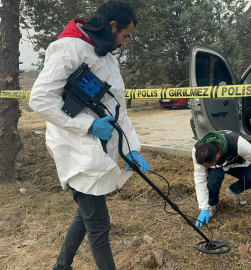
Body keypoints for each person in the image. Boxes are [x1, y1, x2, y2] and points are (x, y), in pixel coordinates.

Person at [29, 1, 149, 269]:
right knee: (98, 224)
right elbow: (39, 100)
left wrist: (131, 148)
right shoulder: (68, 48)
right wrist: (88, 125)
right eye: (125, 35)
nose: (125, 43)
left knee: (85, 215)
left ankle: (61, 266)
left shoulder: (107, 58)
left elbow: (119, 109)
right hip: (76, 148)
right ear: (113, 26)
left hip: (97, 147)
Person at [192, 130, 251, 227]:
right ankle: (211, 205)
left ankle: (233, 191)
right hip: (217, 168)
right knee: (213, 179)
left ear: (218, 157)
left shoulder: (238, 144)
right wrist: (203, 208)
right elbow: (200, 179)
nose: (206, 168)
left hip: (236, 163)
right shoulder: (197, 152)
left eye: (207, 166)